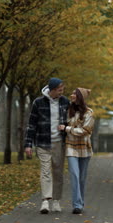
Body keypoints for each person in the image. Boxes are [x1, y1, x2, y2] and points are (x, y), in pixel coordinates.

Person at [24, 78, 70, 214]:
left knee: (58, 173)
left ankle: (56, 201)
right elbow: (31, 124)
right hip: (43, 143)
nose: (62, 92)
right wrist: (28, 144)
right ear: (52, 90)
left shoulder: (64, 101)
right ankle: (45, 201)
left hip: (59, 143)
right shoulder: (38, 103)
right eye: (60, 90)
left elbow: (70, 120)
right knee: (45, 172)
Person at [58, 88, 94, 214]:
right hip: (71, 147)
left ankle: (81, 202)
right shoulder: (69, 111)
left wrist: (67, 129)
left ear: (81, 97)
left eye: (74, 93)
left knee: (82, 178)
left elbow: (85, 131)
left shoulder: (89, 113)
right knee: (74, 175)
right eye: (72, 93)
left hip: (84, 148)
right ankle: (77, 205)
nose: (71, 95)